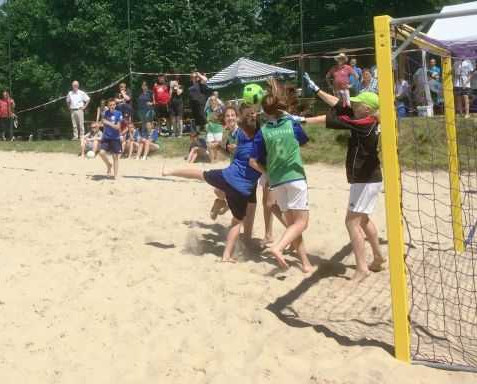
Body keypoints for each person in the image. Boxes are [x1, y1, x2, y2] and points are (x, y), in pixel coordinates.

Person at [304, 74, 386, 280]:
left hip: (365, 178)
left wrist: (303, 119)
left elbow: (330, 118)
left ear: (366, 109)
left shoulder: (363, 123)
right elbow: (341, 104)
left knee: (351, 222)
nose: (354, 105)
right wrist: (317, 91)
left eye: (358, 104)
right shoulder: (367, 118)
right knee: (363, 219)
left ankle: (362, 268)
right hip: (370, 177)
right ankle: (377, 257)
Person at [162, 103, 261, 262]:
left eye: (232, 116)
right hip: (239, 177)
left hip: (243, 178)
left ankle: (228, 215)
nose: (230, 118)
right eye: (227, 116)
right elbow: (239, 153)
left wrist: (226, 146)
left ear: (238, 118)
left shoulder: (242, 131)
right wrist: (221, 148)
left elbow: (243, 149)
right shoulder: (234, 133)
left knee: (245, 212)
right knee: (233, 208)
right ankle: (222, 206)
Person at [249, 93, 312, 272]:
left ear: (265, 111)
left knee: (293, 225)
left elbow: (253, 161)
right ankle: (279, 246)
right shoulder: (291, 124)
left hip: (276, 181)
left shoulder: (263, 131)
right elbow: (305, 142)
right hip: (295, 177)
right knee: (302, 223)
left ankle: (306, 264)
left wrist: (267, 174)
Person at [98, 98, 123, 178]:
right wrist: (100, 124)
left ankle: (115, 175)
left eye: (113, 105)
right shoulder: (105, 113)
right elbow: (103, 124)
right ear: (108, 106)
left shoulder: (118, 113)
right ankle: (109, 165)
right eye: (110, 105)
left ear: (115, 105)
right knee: (101, 153)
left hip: (115, 138)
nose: (112, 106)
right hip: (106, 137)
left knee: (115, 157)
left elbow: (117, 127)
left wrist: (107, 123)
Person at [205, 94, 224, 162]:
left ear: (216, 101)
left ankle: (216, 159)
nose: (212, 101)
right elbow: (207, 119)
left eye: (214, 100)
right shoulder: (208, 110)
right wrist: (207, 124)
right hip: (210, 130)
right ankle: (212, 161)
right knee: (209, 144)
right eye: (211, 100)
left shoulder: (220, 109)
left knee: (216, 146)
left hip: (218, 129)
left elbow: (224, 107)